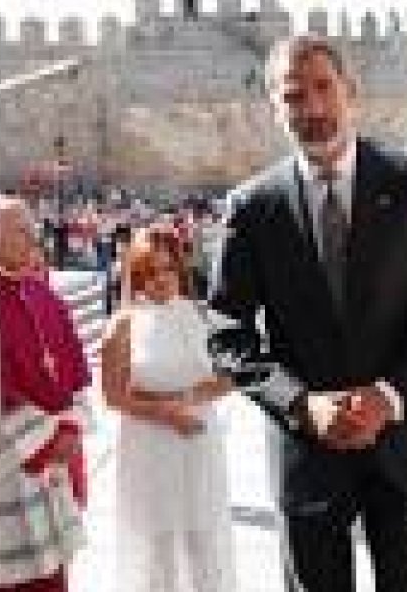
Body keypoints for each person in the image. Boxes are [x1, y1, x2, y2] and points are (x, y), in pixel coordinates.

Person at [207, 33, 407, 591]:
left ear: (350, 90)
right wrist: (302, 405)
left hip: (400, 448)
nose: (314, 108)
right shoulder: (253, 208)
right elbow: (227, 332)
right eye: (294, 96)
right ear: (276, 109)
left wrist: (390, 395)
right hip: (308, 455)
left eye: (324, 88)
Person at [100, 223, 236, 592]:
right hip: (149, 444)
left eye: (167, 269)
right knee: (155, 544)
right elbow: (112, 395)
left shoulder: (202, 317)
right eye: (149, 272)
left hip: (197, 439)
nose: (160, 279)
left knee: (202, 536)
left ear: (180, 268)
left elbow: (230, 377)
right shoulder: (122, 325)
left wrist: (186, 401)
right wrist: (165, 413)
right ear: (136, 275)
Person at [0, 194, 92, 592]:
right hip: (8, 468)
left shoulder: (44, 296)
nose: (34, 237)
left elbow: (74, 370)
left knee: (53, 572)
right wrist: (48, 441)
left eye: (31, 227)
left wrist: (72, 427)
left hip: (52, 468)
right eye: (20, 230)